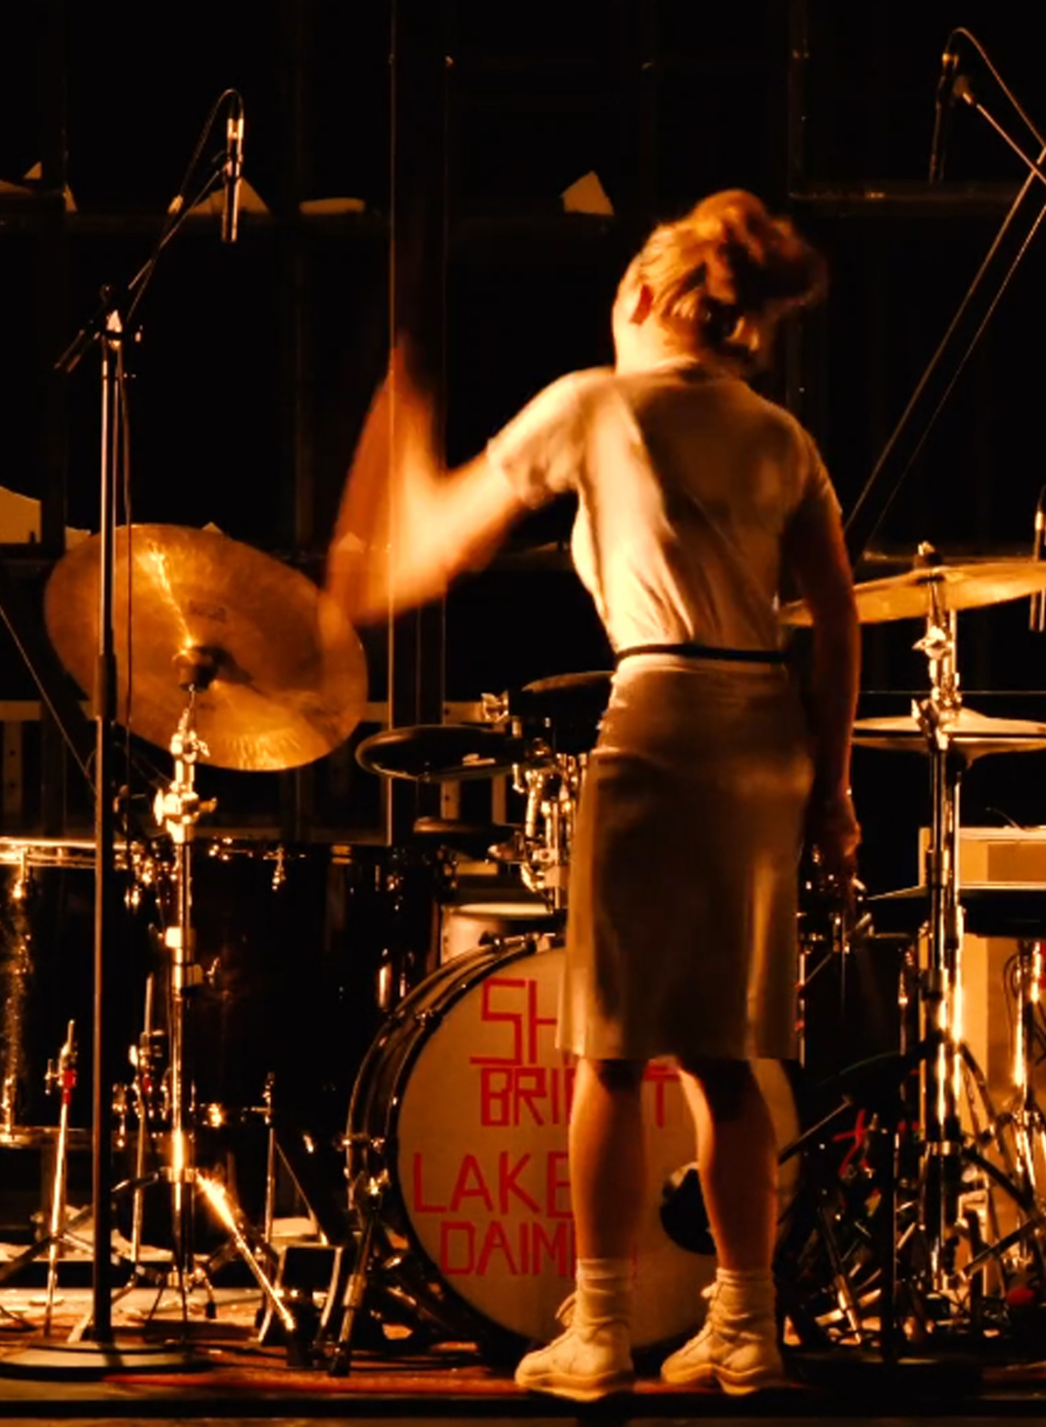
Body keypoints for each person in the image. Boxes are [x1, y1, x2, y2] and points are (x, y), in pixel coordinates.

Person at [326, 190, 861, 1399]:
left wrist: (389, 508)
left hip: (661, 720)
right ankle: (747, 1328)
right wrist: (830, 789)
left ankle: (601, 1325)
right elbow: (835, 622)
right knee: (729, 1059)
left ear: (638, 297)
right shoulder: (783, 436)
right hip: (768, 734)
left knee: (611, 1053)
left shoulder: (594, 403)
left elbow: (436, 546)